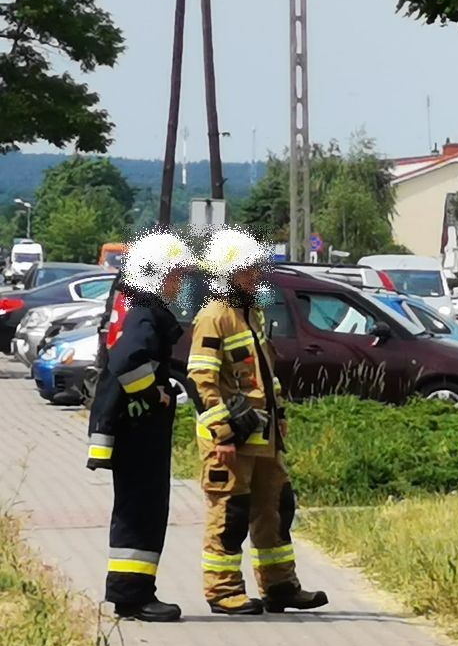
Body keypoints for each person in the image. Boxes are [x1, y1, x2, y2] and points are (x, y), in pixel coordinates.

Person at [188, 228, 328, 616]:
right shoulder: (214, 317)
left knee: (276, 508)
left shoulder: (250, 313)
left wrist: (279, 415)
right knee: (230, 514)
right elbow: (201, 380)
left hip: (263, 435)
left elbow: (264, 375)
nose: (256, 276)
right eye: (248, 270)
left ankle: (280, 585)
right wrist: (223, 435)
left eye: (256, 269)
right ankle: (223, 591)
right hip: (231, 440)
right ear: (226, 272)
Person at [85, 230, 196, 622]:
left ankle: (134, 592)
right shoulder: (147, 313)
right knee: (141, 512)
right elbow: (128, 361)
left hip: (138, 432)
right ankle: (132, 596)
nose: (180, 282)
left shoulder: (143, 309)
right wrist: (154, 394)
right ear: (155, 273)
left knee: (142, 510)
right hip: (140, 433)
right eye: (175, 275)